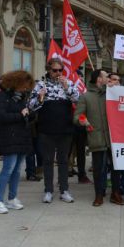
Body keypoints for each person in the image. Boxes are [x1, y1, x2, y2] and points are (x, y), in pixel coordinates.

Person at [29, 58, 80, 203]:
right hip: (47, 130)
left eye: (60, 70)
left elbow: (78, 100)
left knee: (64, 161)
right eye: (54, 70)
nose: (58, 73)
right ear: (48, 70)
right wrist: (40, 98)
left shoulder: (68, 83)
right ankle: (48, 190)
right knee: (48, 161)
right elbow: (31, 105)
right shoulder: (40, 85)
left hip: (65, 130)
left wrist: (67, 87)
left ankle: (64, 190)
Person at [73, 70, 120, 206]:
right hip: (97, 138)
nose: (109, 79)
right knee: (99, 169)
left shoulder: (111, 93)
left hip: (113, 138)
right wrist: (83, 120)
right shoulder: (86, 97)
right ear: (99, 79)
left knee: (116, 167)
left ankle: (115, 193)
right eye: (106, 77)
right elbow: (77, 116)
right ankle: (99, 195)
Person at [0, 70, 35, 214]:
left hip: (22, 137)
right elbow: (0, 117)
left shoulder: (21, 98)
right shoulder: (2, 97)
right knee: (8, 169)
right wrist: (20, 115)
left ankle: (12, 198)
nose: (26, 88)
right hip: (9, 137)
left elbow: (26, 114)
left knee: (16, 170)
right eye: (24, 85)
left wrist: (30, 113)